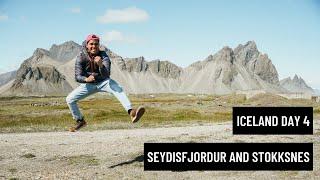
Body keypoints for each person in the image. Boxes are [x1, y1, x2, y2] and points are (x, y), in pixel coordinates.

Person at [66, 34, 145, 132]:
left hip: (103, 82)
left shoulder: (104, 55)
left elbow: (106, 74)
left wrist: (100, 65)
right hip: (88, 84)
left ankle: (131, 112)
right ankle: (80, 121)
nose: (94, 46)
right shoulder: (81, 57)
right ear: (87, 45)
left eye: (96, 44)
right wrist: (86, 79)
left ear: (98, 45)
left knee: (117, 88)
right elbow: (77, 76)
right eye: (91, 44)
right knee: (70, 99)